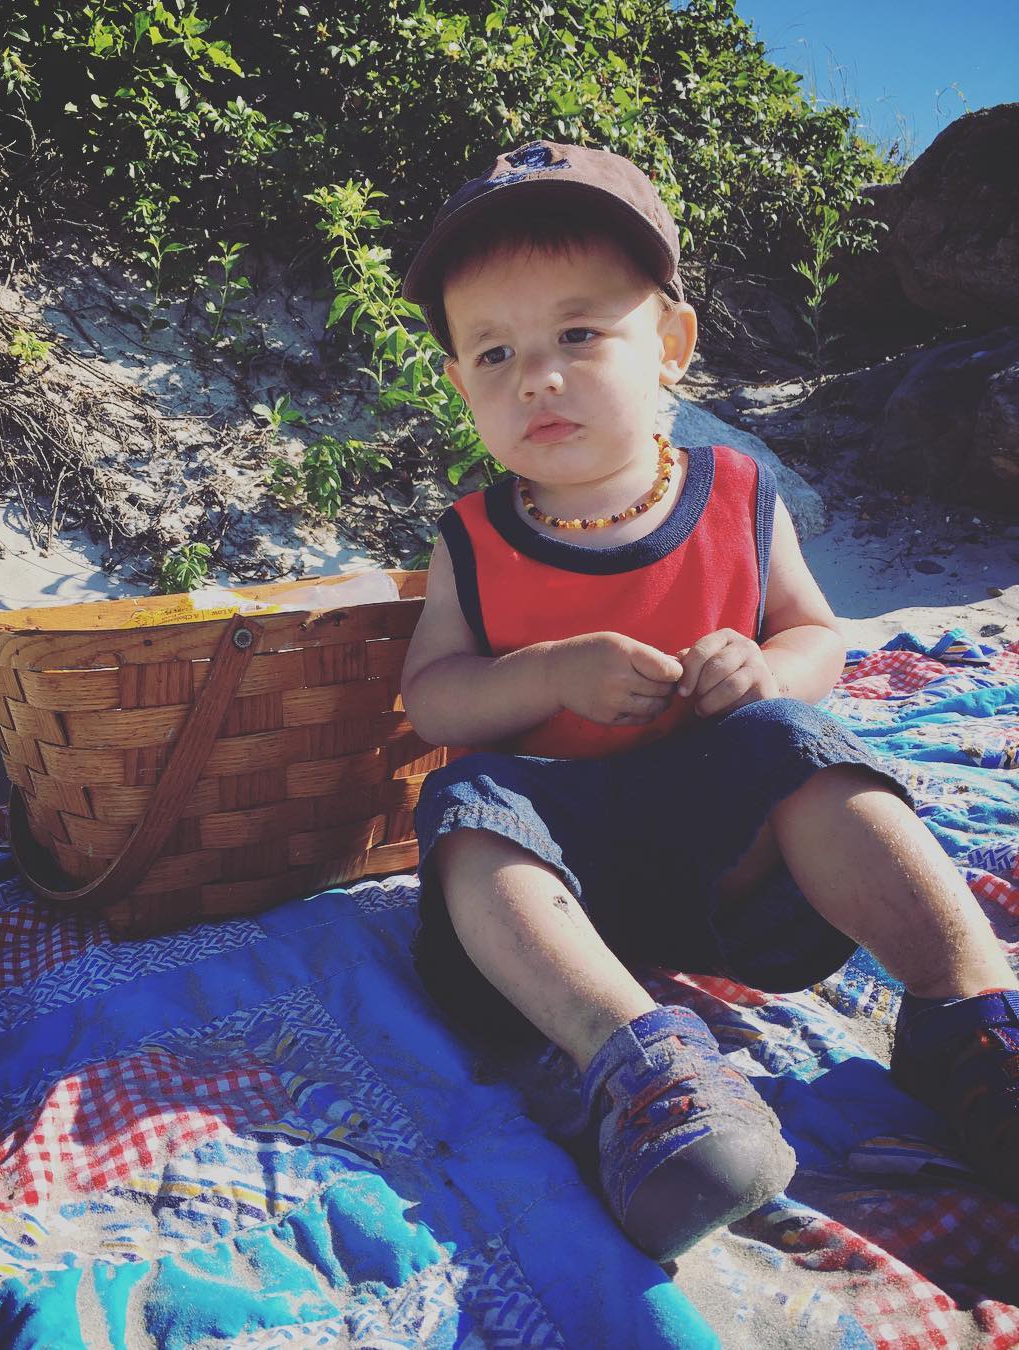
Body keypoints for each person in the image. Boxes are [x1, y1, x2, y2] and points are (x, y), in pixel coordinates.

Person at [397, 140, 1019, 1264]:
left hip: (739, 869)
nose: (536, 375)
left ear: (671, 345)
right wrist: (543, 675)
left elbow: (820, 636)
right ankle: (640, 1067)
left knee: (803, 744)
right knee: (467, 807)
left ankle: (969, 1015)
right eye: (494, 352)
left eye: (578, 334)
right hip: (563, 882)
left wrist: (768, 669)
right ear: (460, 384)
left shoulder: (737, 492)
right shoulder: (473, 538)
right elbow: (433, 699)